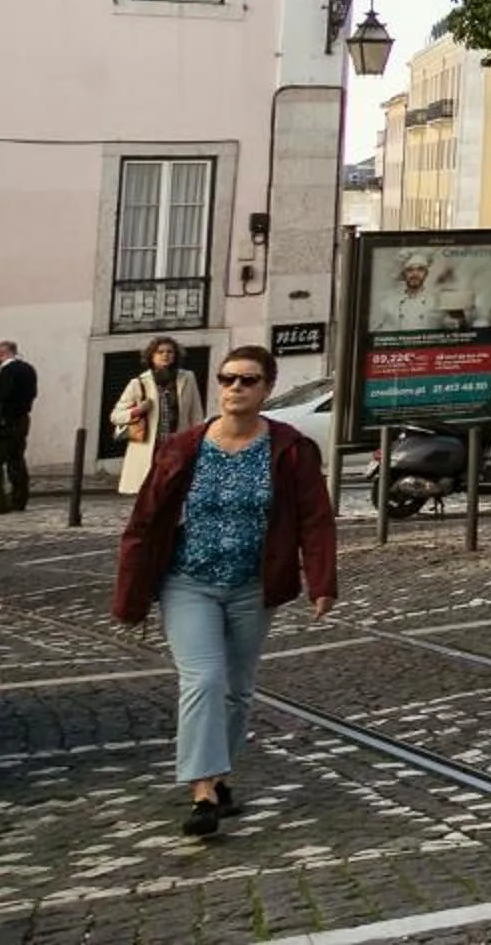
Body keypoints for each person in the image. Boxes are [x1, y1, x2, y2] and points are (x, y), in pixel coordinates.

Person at [111, 345, 338, 839]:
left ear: (267, 389)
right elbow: (144, 522)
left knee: (237, 691)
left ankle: (219, 774)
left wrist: (322, 582)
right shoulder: (184, 447)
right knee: (204, 680)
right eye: (228, 378)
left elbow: (315, 519)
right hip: (188, 581)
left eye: (248, 380)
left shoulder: (291, 448)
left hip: (253, 587)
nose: (235, 388)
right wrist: (130, 592)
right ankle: (202, 793)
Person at [113, 338, 209, 496]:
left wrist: (197, 442)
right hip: (150, 448)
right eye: (160, 352)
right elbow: (116, 416)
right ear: (151, 356)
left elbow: (196, 413)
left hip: (177, 446)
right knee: (149, 493)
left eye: (170, 352)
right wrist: (137, 410)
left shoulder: (188, 378)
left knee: (175, 492)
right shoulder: (138, 383)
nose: (165, 355)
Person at [0, 340, 39, 512]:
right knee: (16, 461)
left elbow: (2, 397)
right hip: (22, 421)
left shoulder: (8, 371)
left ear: (2, 353)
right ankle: (19, 500)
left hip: (5, 424)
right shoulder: (28, 369)